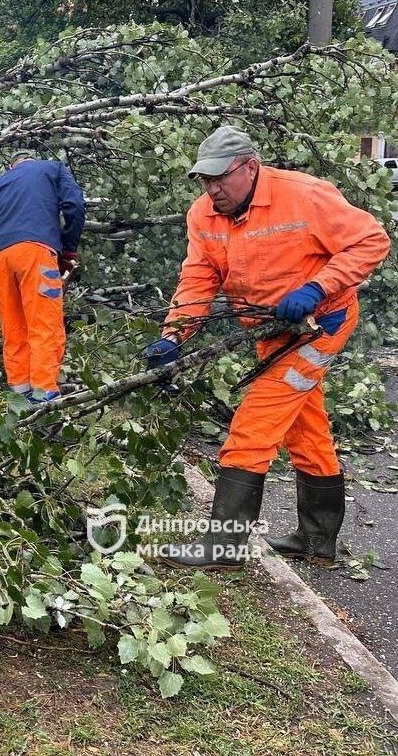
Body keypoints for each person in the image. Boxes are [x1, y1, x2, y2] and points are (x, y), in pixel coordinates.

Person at [145, 126, 391, 570]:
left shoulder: (303, 195)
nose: (212, 188)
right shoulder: (204, 215)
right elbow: (198, 279)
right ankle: (317, 541)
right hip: (270, 332)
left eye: (220, 178)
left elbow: (372, 239)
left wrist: (318, 287)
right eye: (205, 180)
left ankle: (224, 547)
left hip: (322, 324)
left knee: (254, 424)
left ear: (250, 167)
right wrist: (172, 335)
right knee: (305, 427)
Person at [0, 152, 86, 402]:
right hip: (35, 250)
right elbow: (75, 205)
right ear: (33, 160)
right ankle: (43, 393)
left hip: (0, 256)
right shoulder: (53, 168)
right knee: (44, 320)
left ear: (11, 166)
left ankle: (19, 395)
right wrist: (68, 248)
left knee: (13, 325)